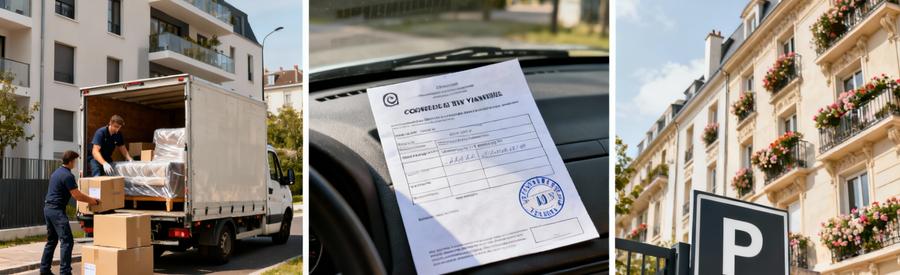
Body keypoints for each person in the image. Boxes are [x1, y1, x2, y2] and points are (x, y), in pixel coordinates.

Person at [40, 151, 99, 275]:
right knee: (67, 241)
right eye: (76, 161)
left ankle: (44, 270)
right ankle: (65, 272)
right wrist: (92, 201)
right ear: (71, 161)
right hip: (56, 211)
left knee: (52, 241)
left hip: (48, 209)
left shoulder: (57, 173)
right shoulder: (67, 175)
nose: (76, 164)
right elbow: (77, 195)